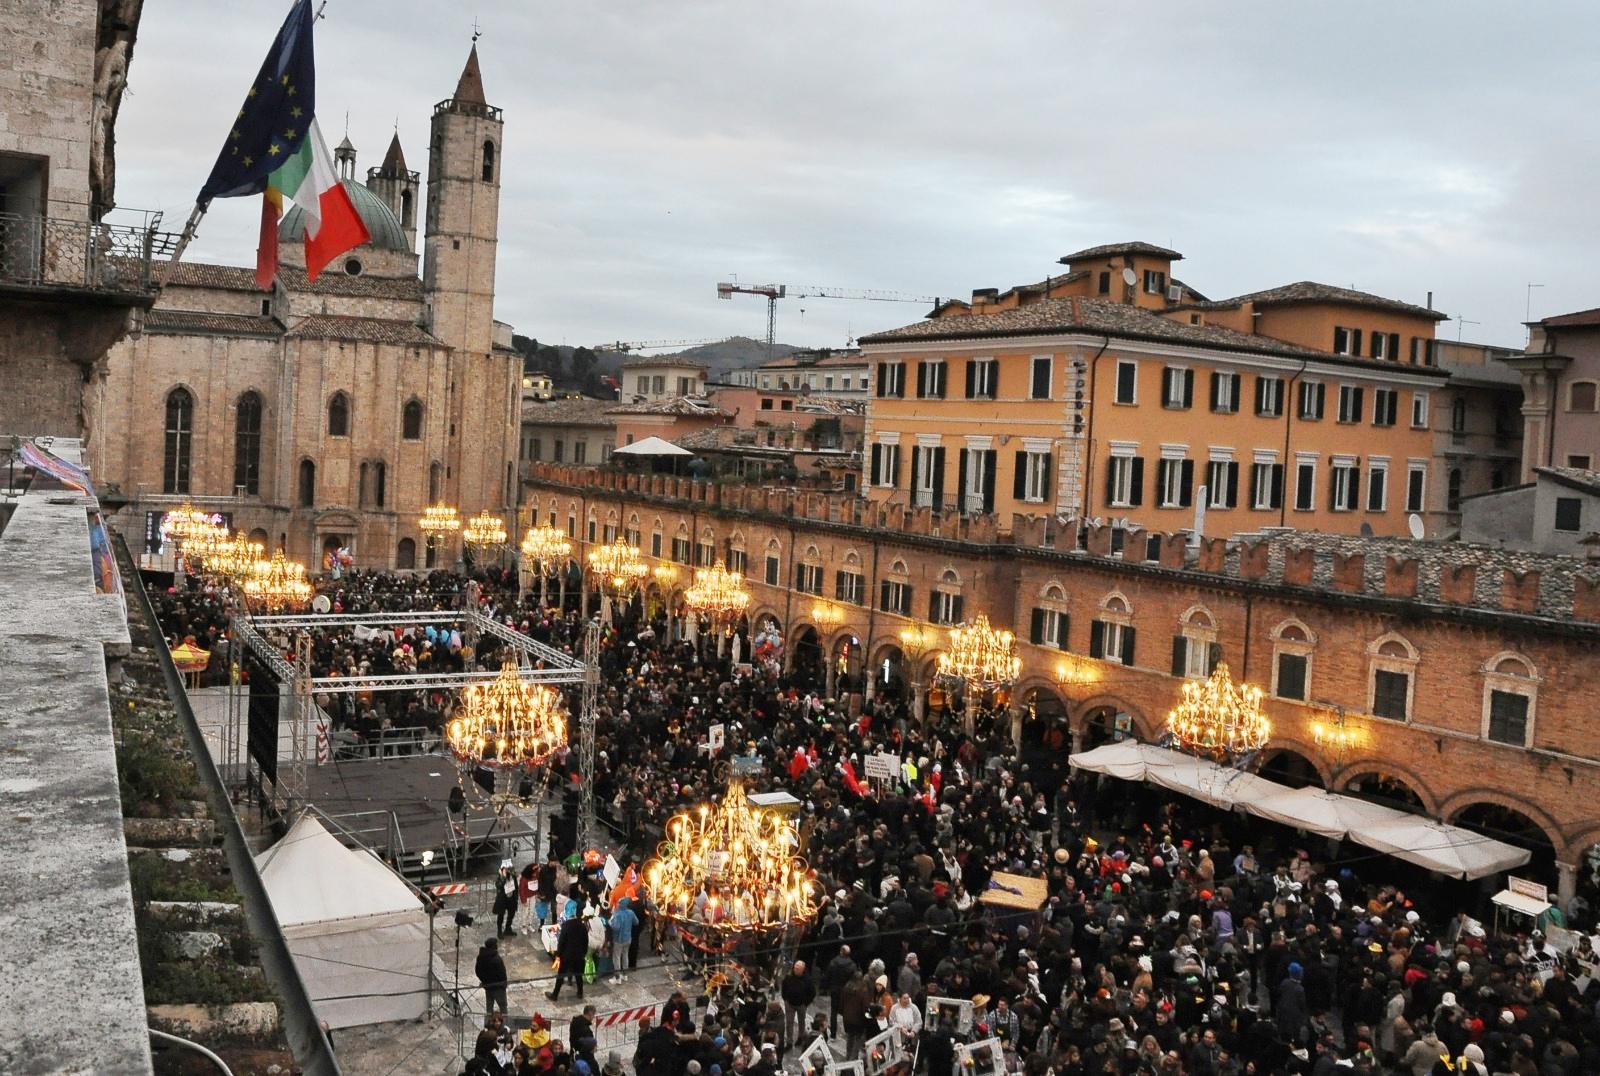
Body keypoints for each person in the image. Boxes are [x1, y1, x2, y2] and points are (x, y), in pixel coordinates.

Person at [549, 912, 590, 1000]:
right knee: (578, 975)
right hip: (579, 955)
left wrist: (558, 954)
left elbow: (561, 942)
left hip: (567, 956)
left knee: (561, 975)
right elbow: (586, 940)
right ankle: (580, 992)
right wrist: (584, 953)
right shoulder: (582, 925)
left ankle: (555, 994)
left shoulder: (566, 926)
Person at [781, 960, 816, 1051]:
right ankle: (789, 1042)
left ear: (802, 970)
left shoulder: (808, 980)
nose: (796, 970)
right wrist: (785, 999)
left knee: (801, 1022)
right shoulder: (789, 977)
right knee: (789, 1023)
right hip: (790, 1004)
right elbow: (784, 987)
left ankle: (800, 1037)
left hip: (801, 1005)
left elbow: (812, 993)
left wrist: (806, 1003)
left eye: (798, 969)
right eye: (795, 968)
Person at [476, 936, 508, 1016]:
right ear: (494, 946)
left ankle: (488, 1024)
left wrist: (484, 981)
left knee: (489, 1008)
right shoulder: (497, 959)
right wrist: (503, 984)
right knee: (503, 1007)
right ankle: (505, 1023)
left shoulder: (481, 957)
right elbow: (502, 974)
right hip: (498, 987)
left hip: (487, 986)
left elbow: (478, 971)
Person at [610, 897, 639, 983]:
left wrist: (610, 922)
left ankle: (617, 978)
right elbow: (636, 922)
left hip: (618, 939)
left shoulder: (617, 914)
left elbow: (616, 927)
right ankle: (625, 975)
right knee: (625, 955)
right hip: (628, 938)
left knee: (617, 958)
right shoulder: (630, 912)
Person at [495, 864, 519, 937]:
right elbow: (498, 886)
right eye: (506, 869)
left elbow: (516, 886)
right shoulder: (500, 877)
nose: (509, 870)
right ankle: (499, 931)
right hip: (503, 898)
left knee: (511, 914)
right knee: (501, 915)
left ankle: (508, 928)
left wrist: (516, 897)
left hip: (511, 898)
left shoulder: (513, 876)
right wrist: (503, 877)